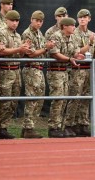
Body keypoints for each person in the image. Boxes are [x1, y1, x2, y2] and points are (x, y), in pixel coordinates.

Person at [64, 9, 95, 137]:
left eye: (85, 17)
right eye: (80, 17)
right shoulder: (73, 33)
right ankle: (69, 124)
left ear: (89, 19)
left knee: (86, 97)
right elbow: (76, 52)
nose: (82, 19)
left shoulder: (92, 34)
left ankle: (82, 124)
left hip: (88, 69)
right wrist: (89, 44)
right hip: (77, 69)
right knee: (75, 97)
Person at [0, 10, 31, 139]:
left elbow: (18, 54)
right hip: (4, 70)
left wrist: (24, 50)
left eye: (16, 21)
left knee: (13, 102)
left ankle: (3, 127)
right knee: (4, 101)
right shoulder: (1, 33)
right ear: (6, 21)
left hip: (16, 70)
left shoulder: (18, 36)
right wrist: (19, 49)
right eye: (12, 20)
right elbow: (2, 52)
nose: (14, 23)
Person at [47, 17, 84, 138]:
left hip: (65, 72)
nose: (74, 27)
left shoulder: (73, 37)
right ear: (65, 26)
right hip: (55, 71)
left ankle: (60, 127)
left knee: (63, 100)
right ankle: (53, 127)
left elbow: (75, 51)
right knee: (58, 99)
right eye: (72, 25)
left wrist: (77, 56)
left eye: (74, 25)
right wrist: (69, 59)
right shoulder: (56, 36)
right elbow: (54, 53)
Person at [21, 10, 54, 138]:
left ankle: (29, 127)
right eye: (37, 20)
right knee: (32, 98)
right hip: (31, 68)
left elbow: (42, 52)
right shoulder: (27, 34)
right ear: (31, 20)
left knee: (39, 99)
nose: (39, 23)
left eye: (41, 21)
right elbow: (31, 53)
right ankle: (28, 127)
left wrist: (47, 48)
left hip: (39, 69)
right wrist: (46, 47)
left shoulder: (40, 33)